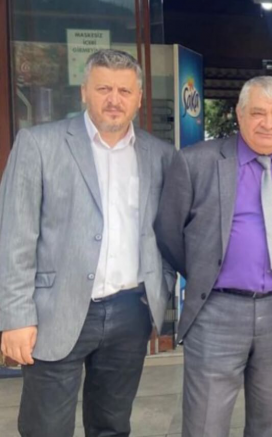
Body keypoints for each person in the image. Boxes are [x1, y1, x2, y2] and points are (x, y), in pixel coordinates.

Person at [0, 49, 176, 436]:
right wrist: (15, 318)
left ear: (139, 98)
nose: (114, 99)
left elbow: (167, 232)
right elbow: (14, 238)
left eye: (124, 91)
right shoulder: (38, 144)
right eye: (103, 89)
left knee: (112, 425)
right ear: (84, 92)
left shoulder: (160, 155)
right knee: (45, 428)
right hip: (53, 311)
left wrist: (158, 288)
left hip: (130, 311)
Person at [155, 76, 272, 437]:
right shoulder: (196, 162)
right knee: (205, 425)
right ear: (239, 114)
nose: (268, 123)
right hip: (217, 311)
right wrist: (205, 273)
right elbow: (169, 233)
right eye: (258, 113)